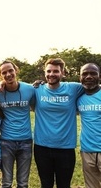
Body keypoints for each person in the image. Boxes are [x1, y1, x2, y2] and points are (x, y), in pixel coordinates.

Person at [33, 58, 84, 188]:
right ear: (44, 73)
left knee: (64, 185)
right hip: (42, 147)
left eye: (56, 71)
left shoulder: (74, 88)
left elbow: (93, 86)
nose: (51, 74)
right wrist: (1, 85)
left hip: (66, 148)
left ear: (62, 73)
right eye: (48, 71)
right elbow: (16, 87)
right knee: (46, 184)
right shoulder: (37, 89)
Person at [0, 60, 35, 188]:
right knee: (6, 182)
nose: (8, 74)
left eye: (10, 70)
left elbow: (35, 106)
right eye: (4, 72)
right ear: (0, 75)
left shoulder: (29, 89)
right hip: (6, 142)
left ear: (16, 70)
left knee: (23, 183)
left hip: (26, 141)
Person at [77, 63, 101, 188]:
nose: (89, 76)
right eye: (85, 74)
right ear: (80, 77)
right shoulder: (78, 97)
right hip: (87, 151)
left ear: (99, 76)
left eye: (93, 73)